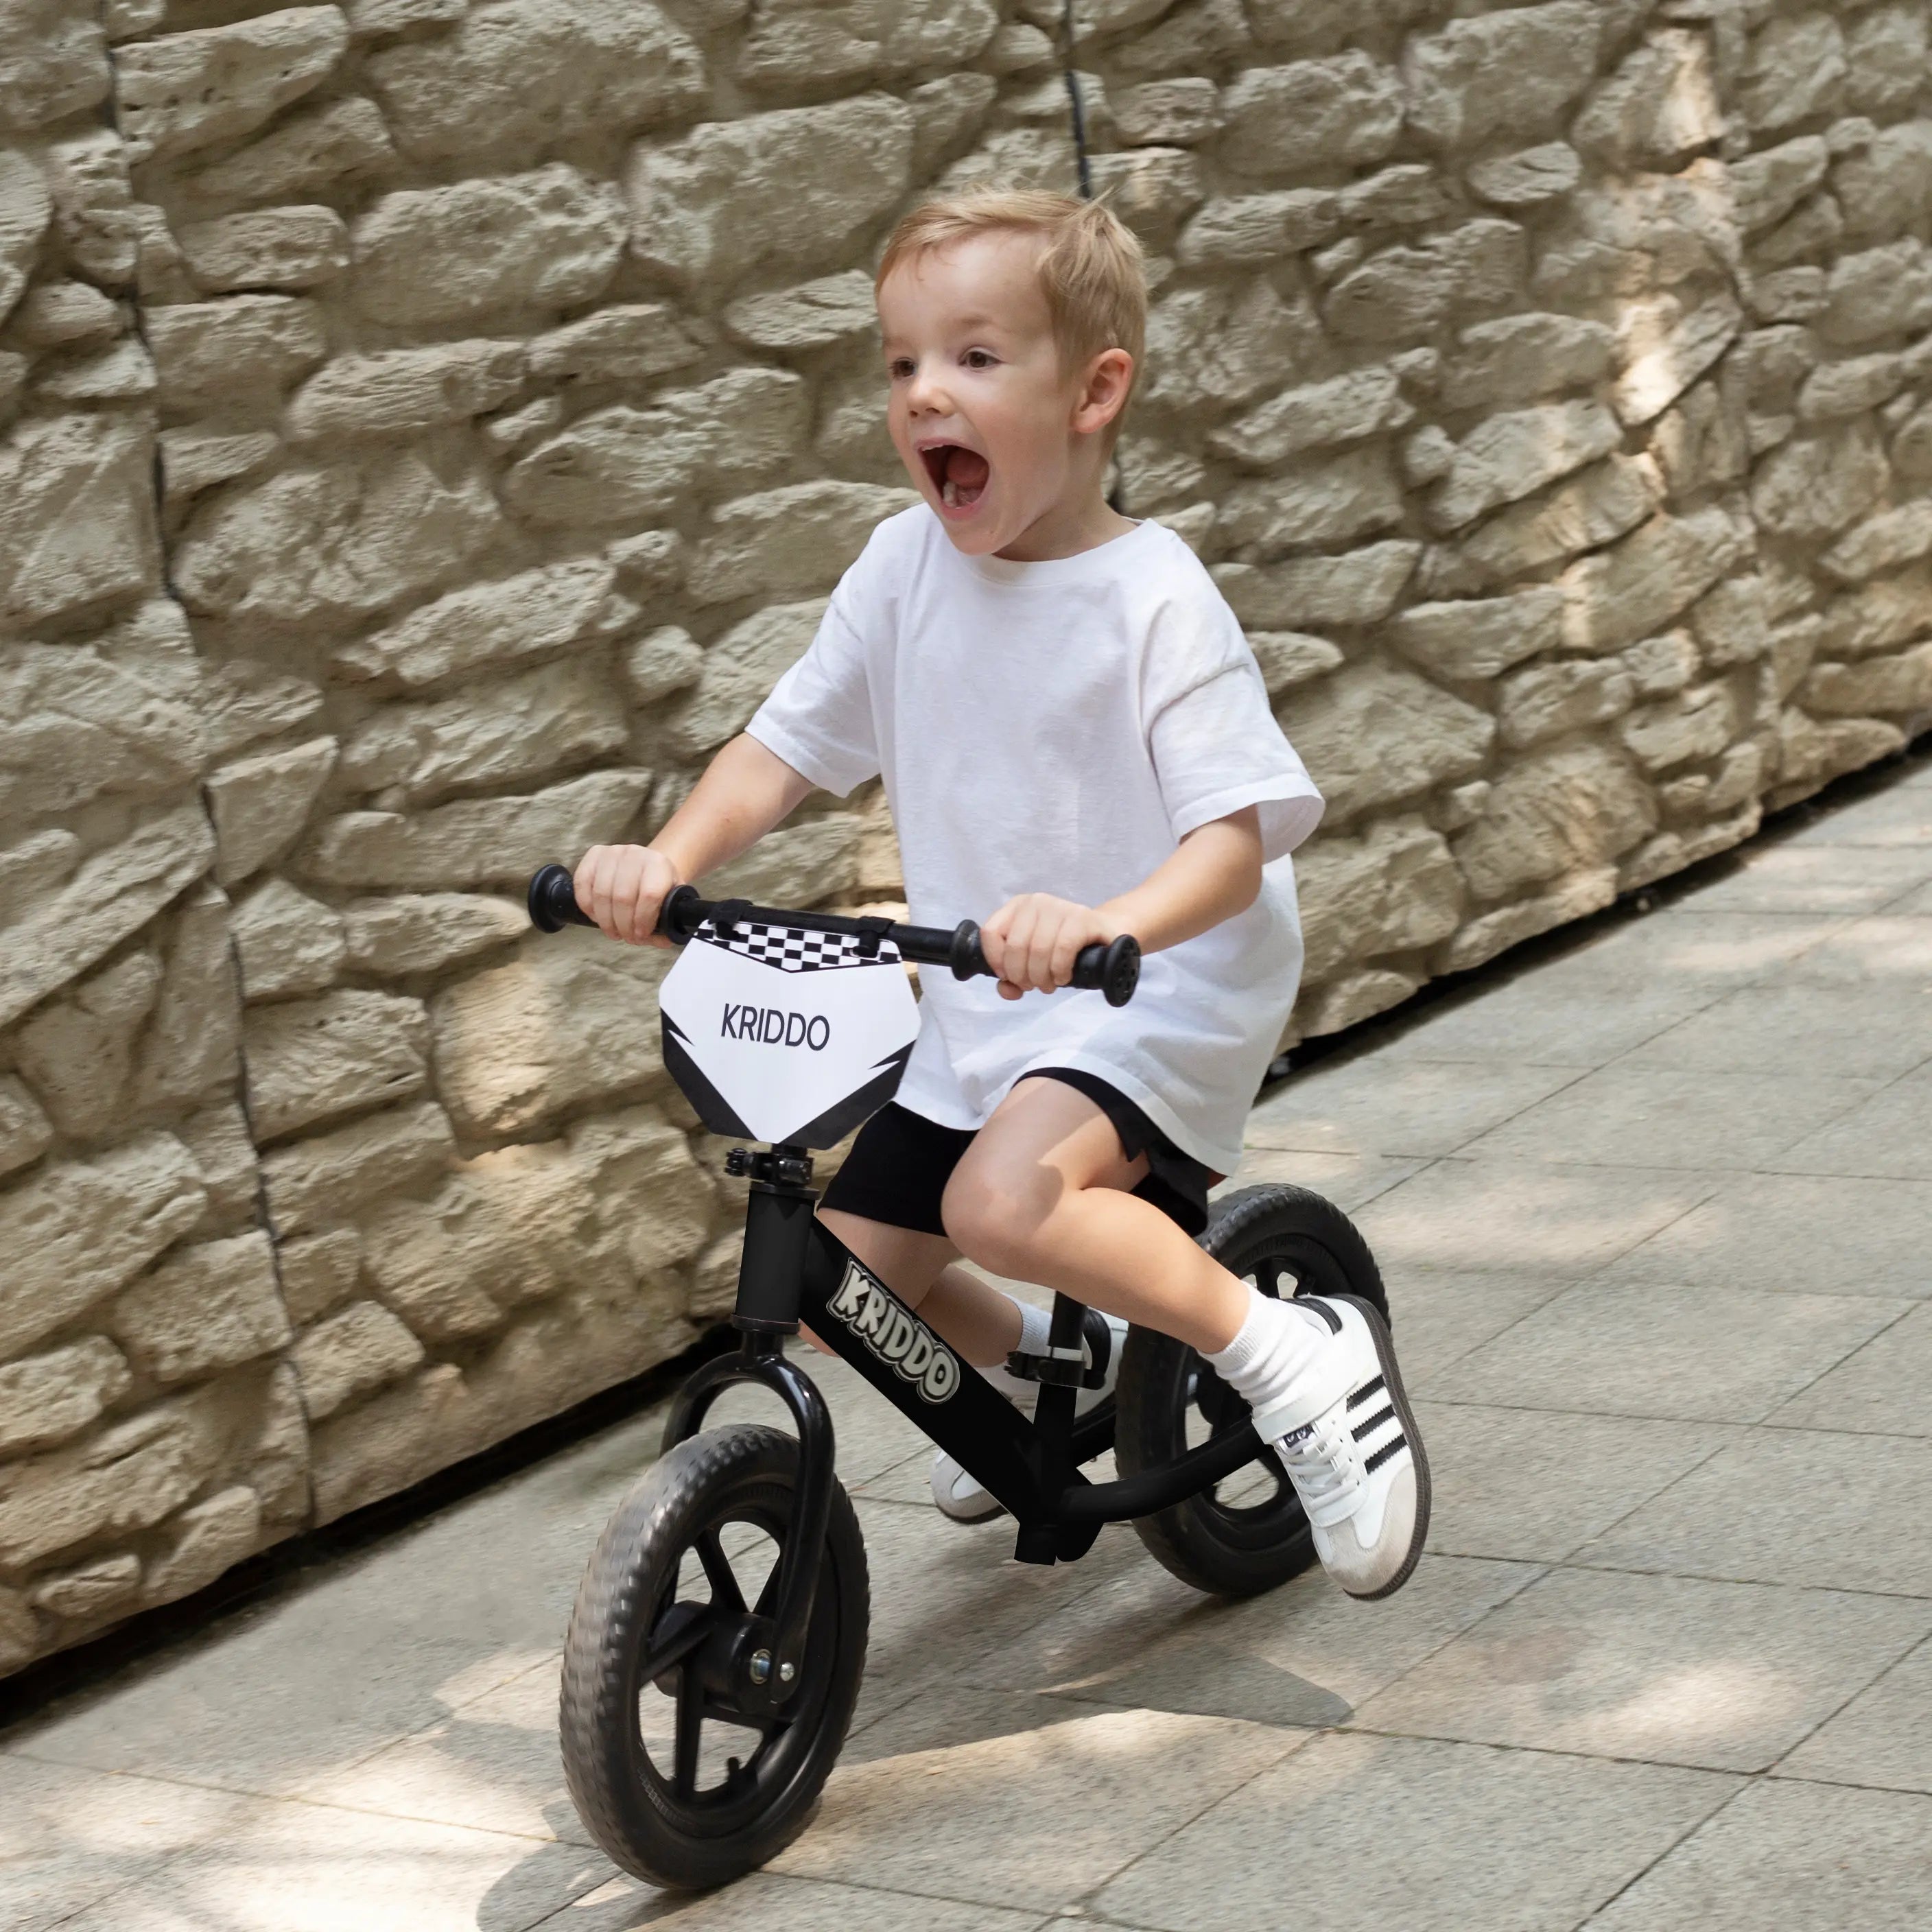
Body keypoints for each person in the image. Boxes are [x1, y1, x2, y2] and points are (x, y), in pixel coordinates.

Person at [575, 189, 1429, 1599]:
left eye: (973, 359)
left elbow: (1233, 845)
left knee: (999, 1207)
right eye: (901, 363)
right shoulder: (902, 567)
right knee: (827, 1297)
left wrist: (1107, 922)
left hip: (1161, 978)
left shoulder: (1153, 598)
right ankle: (1046, 1362)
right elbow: (784, 746)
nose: (925, 396)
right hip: (985, 988)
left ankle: (1293, 1354)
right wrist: (669, 859)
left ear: (1095, 392)